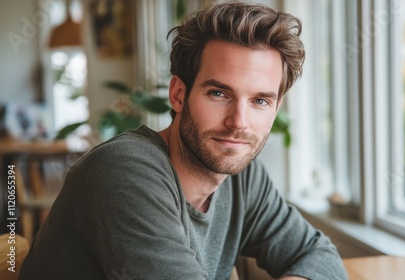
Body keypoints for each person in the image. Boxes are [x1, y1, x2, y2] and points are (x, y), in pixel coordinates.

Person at [19, 1, 348, 279]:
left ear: (275, 109)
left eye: (260, 101)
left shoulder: (243, 176)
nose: (239, 122)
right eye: (218, 93)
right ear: (178, 94)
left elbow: (319, 255)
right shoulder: (122, 173)